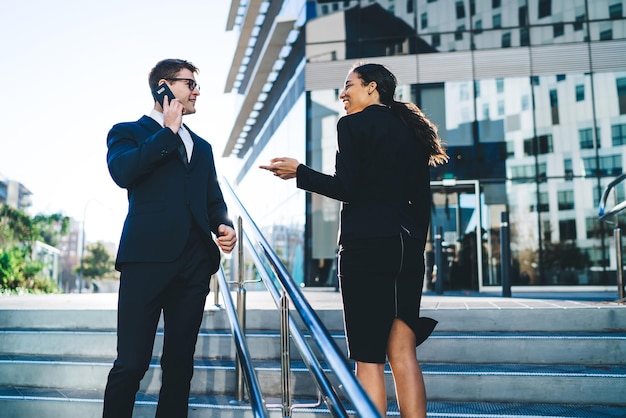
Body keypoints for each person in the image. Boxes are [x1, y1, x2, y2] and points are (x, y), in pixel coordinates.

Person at [260, 63, 448, 417]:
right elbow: (423, 203)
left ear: (372, 87)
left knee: (369, 359)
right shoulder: (412, 131)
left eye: (349, 86)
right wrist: (413, 248)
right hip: (407, 250)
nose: (342, 94)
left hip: (366, 249)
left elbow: (346, 187)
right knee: (403, 352)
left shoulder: (352, 125)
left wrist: (298, 172)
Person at [103, 58, 237, 418]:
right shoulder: (127, 131)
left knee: (180, 367)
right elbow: (123, 172)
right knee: (131, 363)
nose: (196, 91)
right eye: (189, 83)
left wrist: (223, 225)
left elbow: (213, 200)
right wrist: (168, 131)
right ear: (164, 86)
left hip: (194, 266)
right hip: (145, 261)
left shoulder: (203, 147)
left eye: (197, 85)